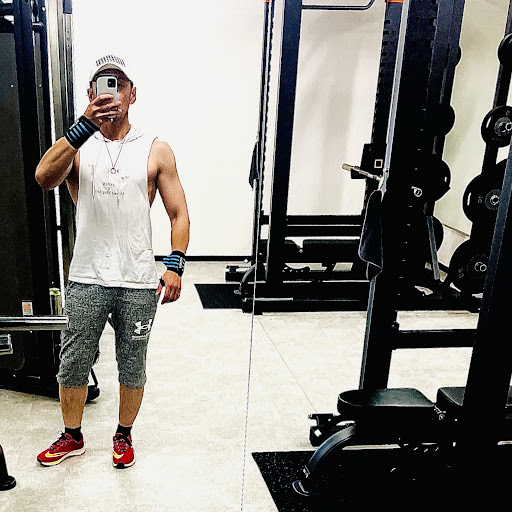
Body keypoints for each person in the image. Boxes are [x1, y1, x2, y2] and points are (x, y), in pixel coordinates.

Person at [34, 54, 190, 469]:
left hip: (137, 278)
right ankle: (72, 436)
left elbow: (179, 213)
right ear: (90, 93)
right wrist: (83, 126)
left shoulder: (156, 149)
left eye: (119, 84)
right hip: (87, 275)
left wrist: (175, 264)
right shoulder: (76, 146)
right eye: (104, 84)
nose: (113, 93)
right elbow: (43, 177)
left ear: (133, 94)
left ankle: (123, 433)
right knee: (74, 362)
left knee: (132, 364)